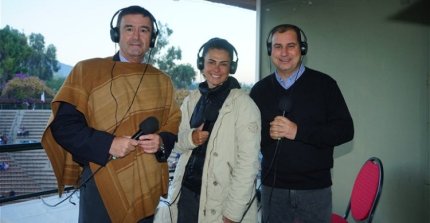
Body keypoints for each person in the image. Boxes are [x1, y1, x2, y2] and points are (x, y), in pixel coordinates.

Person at [41, 5, 181, 223]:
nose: (136, 36)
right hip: (102, 183)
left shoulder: (163, 81)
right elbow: (63, 126)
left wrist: (161, 142)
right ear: (116, 34)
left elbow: (173, 122)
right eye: (129, 29)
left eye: (144, 30)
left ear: (152, 38)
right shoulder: (87, 71)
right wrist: (108, 144)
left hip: (147, 185)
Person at [250, 24, 354, 223]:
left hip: (315, 190)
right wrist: (267, 134)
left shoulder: (325, 85)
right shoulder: (259, 90)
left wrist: (298, 131)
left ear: (302, 49)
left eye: (291, 46)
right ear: (270, 50)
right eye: (278, 46)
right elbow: (249, 137)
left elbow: (345, 130)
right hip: (273, 189)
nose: (284, 53)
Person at [165, 38, 261, 223]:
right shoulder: (191, 100)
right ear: (201, 64)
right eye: (211, 62)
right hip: (187, 194)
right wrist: (191, 138)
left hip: (222, 201)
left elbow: (248, 164)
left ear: (231, 68)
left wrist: (233, 213)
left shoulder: (244, 105)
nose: (216, 69)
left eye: (223, 64)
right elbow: (177, 143)